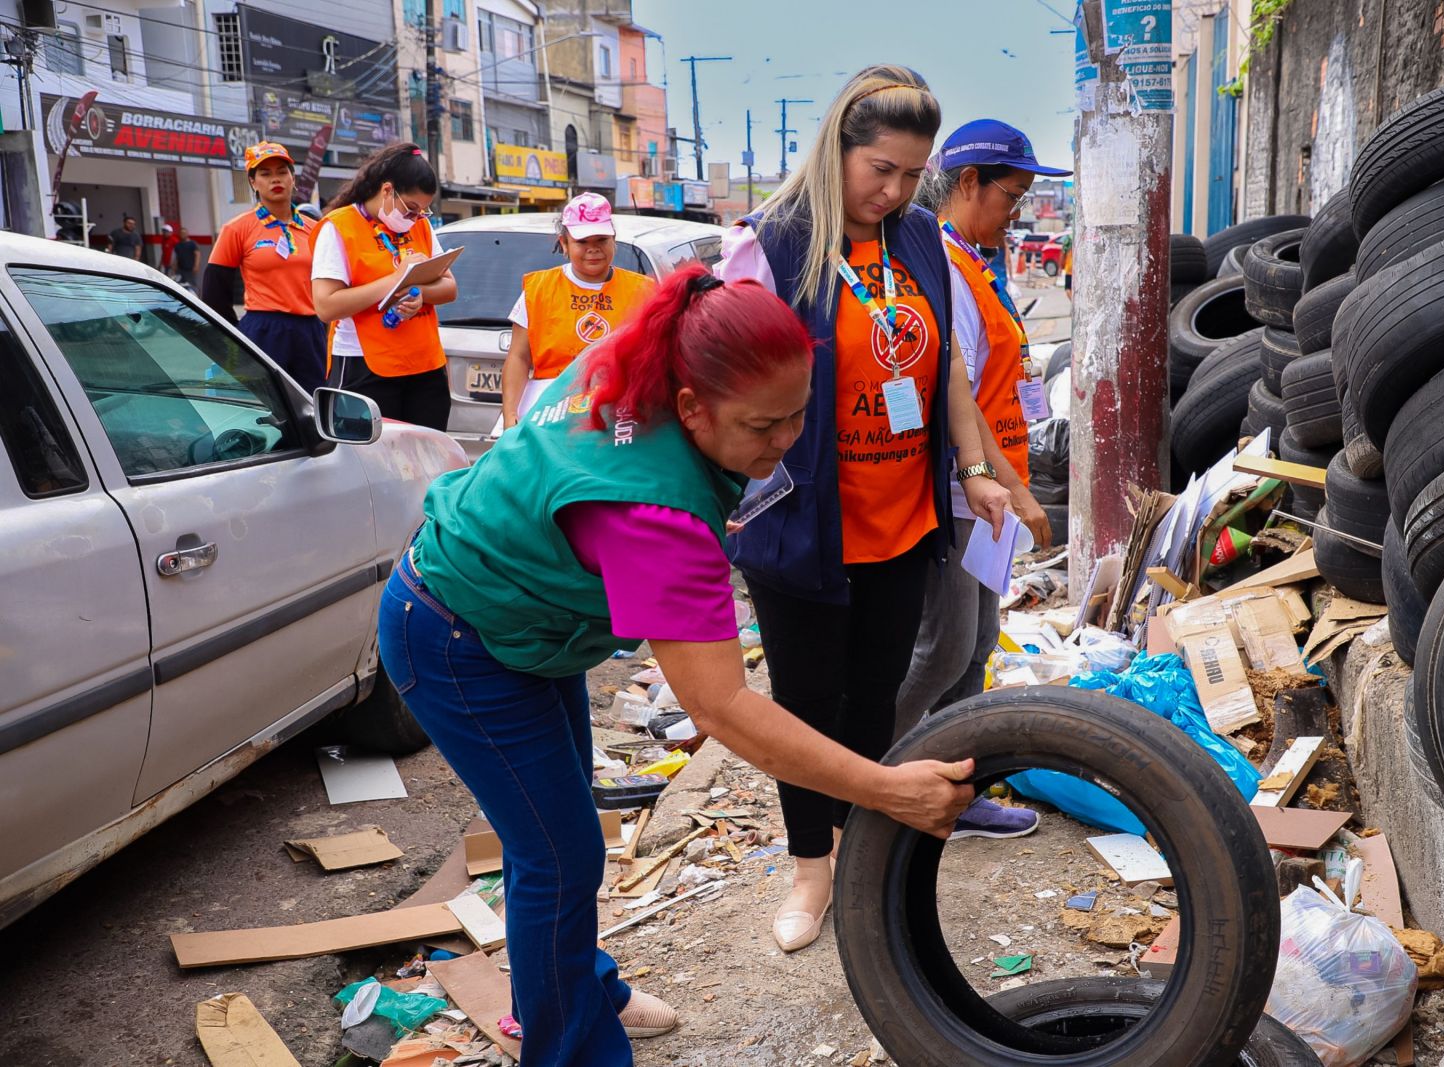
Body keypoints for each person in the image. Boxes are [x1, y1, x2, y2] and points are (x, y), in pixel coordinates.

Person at [377, 263, 974, 1067]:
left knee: (556, 839)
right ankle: (570, 1049)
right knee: (559, 854)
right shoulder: (654, 516)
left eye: (799, 413)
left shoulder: (665, 342)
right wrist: (885, 788)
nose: (787, 441)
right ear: (691, 407)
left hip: (524, 616)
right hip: (455, 635)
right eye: (762, 426)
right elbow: (722, 707)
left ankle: (577, 984)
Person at [717, 64, 1018, 953]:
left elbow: (948, 367)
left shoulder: (919, 239)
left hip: (902, 517)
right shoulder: (776, 245)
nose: (893, 191)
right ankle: (810, 866)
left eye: (912, 174)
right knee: (806, 701)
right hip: (804, 519)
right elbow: (728, 383)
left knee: (875, 693)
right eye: (880, 169)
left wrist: (975, 470)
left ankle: (855, 845)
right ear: (838, 149)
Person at [892, 120, 1069, 834]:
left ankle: (955, 791)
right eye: (1011, 196)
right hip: (965, 492)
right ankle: (867, 777)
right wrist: (1015, 490)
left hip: (990, 494)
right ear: (968, 183)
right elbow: (955, 394)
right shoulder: (945, 267)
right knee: (943, 649)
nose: (1017, 213)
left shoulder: (976, 263)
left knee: (976, 646)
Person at [310, 142, 456, 430]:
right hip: (366, 366)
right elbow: (326, 306)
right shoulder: (339, 227)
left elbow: (450, 288)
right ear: (387, 190)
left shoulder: (419, 226)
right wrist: (395, 280)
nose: (415, 218)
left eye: (422, 211)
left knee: (427, 452)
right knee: (369, 453)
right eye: (411, 208)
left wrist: (420, 294)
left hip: (425, 364)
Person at [501, 192, 656, 429]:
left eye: (601, 240)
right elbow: (519, 357)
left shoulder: (644, 290)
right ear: (564, 243)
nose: (593, 249)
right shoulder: (539, 289)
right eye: (582, 242)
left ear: (613, 240)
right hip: (550, 412)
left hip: (620, 414)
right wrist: (510, 415)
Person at [204, 143, 326, 395]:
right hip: (264, 330)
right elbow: (214, 289)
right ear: (253, 182)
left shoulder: (315, 229)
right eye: (265, 174)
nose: (275, 180)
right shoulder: (237, 228)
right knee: (269, 402)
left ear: (293, 178)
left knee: (314, 401)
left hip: (311, 330)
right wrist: (233, 338)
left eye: (282, 172)